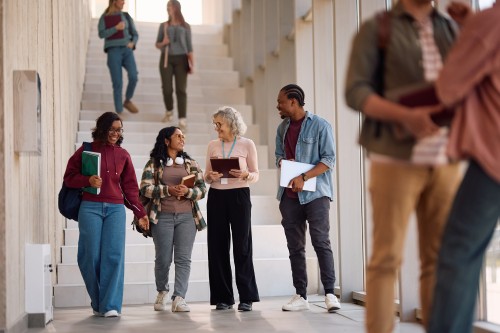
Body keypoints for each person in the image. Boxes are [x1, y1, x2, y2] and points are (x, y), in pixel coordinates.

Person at [344, 1, 464, 332]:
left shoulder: (450, 27)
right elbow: (355, 92)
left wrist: (469, 30)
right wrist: (406, 116)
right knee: (386, 259)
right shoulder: (377, 29)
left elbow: (469, 82)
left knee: (438, 261)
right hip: (394, 158)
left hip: (446, 158)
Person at [427, 3, 500, 333]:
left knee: (458, 254)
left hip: (493, 161)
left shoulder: (489, 23)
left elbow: (448, 88)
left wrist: (466, 35)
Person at [63, 111, 148, 317]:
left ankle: (110, 305)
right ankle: (98, 300)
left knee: (113, 256)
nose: (116, 133)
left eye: (119, 130)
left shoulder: (123, 154)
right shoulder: (86, 151)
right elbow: (69, 178)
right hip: (90, 207)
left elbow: (130, 189)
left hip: (116, 210)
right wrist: (87, 180)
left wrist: (140, 213)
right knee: (88, 255)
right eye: (112, 129)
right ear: (102, 129)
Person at [275, 84, 341, 313]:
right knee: (295, 246)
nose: (278, 106)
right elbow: (278, 156)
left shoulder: (321, 125)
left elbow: (329, 160)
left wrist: (303, 176)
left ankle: (330, 293)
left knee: (321, 241)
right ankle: (300, 295)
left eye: (281, 102)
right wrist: (284, 165)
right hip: (289, 195)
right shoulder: (281, 129)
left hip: (316, 194)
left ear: (293, 101)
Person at [139, 126, 206, 313]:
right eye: (178, 136)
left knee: (183, 259)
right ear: (166, 140)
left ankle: (179, 298)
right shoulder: (153, 163)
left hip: (187, 217)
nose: (182, 138)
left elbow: (202, 189)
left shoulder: (191, 163)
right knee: (163, 259)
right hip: (162, 216)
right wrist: (168, 190)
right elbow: (145, 188)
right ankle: (162, 291)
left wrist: (188, 192)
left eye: (183, 136)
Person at [204, 106, 260, 311]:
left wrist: (245, 175)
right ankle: (223, 297)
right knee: (217, 246)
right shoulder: (212, 145)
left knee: (242, 246)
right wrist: (210, 177)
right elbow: (206, 175)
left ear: (231, 123)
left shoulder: (247, 144)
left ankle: (247, 297)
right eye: (215, 124)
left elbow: (256, 173)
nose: (216, 128)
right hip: (217, 195)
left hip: (239, 195)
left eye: (220, 124)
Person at [155, 0, 194, 132]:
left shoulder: (186, 26)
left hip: (182, 59)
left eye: (170, 7)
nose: (168, 9)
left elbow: (189, 47)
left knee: (181, 90)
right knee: (167, 88)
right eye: (167, 7)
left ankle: (182, 119)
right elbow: (157, 44)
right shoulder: (164, 25)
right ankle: (169, 111)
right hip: (166, 58)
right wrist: (163, 42)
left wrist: (192, 63)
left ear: (176, 8)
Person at [98, 0, 139, 114]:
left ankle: (128, 100)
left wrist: (133, 43)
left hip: (127, 50)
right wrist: (116, 28)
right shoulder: (104, 17)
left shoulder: (126, 16)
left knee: (134, 76)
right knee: (117, 83)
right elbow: (101, 34)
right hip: (113, 51)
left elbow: (135, 34)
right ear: (115, 1)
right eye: (122, 0)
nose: (124, 2)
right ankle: (119, 112)